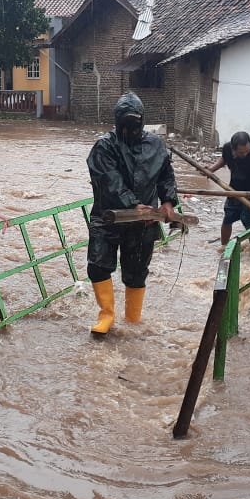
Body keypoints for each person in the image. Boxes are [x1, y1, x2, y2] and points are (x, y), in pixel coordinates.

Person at [85, 92, 178, 335]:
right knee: (98, 265)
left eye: (134, 123)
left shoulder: (156, 145)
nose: (129, 129)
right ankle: (107, 315)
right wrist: (132, 204)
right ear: (117, 122)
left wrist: (168, 201)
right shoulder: (105, 146)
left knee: (137, 272)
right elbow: (108, 180)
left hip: (145, 221)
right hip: (108, 217)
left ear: (142, 121)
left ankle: (133, 319)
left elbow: (166, 175)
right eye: (124, 123)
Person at [203, 131, 250, 245]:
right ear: (233, 149)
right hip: (233, 191)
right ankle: (224, 246)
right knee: (227, 220)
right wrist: (211, 169)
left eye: (247, 151)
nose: (245, 154)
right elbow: (224, 159)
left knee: (249, 225)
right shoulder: (227, 148)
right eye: (241, 152)